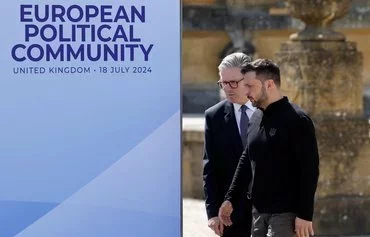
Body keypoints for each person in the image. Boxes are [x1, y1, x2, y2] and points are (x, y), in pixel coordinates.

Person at [218, 58, 320, 237]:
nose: (246, 91)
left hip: (286, 216)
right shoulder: (256, 118)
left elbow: (309, 171)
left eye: (251, 86)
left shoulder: (297, 120)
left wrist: (305, 214)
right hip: (258, 213)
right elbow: (246, 159)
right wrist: (230, 199)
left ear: (270, 84)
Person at [203, 52, 256, 237]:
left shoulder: (269, 111)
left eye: (234, 82)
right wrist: (212, 213)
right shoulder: (213, 116)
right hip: (231, 214)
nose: (228, 88)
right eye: (223, 83)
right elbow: (210, 168)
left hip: (268, 210)